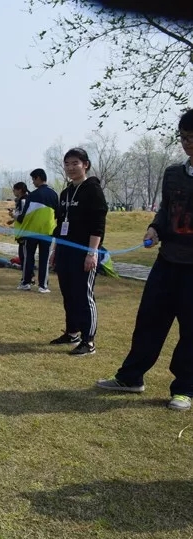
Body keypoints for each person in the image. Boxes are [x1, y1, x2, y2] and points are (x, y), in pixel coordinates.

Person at [96, 110, 193, 410]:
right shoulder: (173, 174)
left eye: (192, 138)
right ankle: (131, 377)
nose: (187, 143)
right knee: (148, 321)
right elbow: (165, 210)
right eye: (184, 137)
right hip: (166, 263)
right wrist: (154, 228)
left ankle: (185, 388)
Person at [49, 147, 108, 356]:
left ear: (85, 165)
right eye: (67, 164)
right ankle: (72, 332)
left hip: (84, 252)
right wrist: (55, 250)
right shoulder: (65, 193)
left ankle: (88, 341)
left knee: (84, 295)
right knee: (69, 293)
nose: (71, 168)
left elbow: (98, 225)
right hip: (65, 251)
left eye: (75, 163)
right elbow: (60, 225)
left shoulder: (93, 190)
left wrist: (92, 253)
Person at [19, 168, 59, 293]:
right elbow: (58, 214)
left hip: (31, 232)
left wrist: (16, 217)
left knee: (28, 258)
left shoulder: (32, 195)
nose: (32, 182)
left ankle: (26, 282)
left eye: (33, 179)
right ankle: (43, 285)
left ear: (38, 178)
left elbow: (24, 215)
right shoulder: (54, 194)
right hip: (47, 231)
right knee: (44, 259)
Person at [10, 182, 34, 289]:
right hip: (21, 232)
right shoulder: (21, 201)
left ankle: (27, 279)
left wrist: (13, 215)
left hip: (24, 233)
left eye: (14, 189)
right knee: (23, 257)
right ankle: (29, 277)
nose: (13, 192)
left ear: (19, 190)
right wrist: (13, 219)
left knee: (24, 257)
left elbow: (23, 217)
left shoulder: (24, 201)